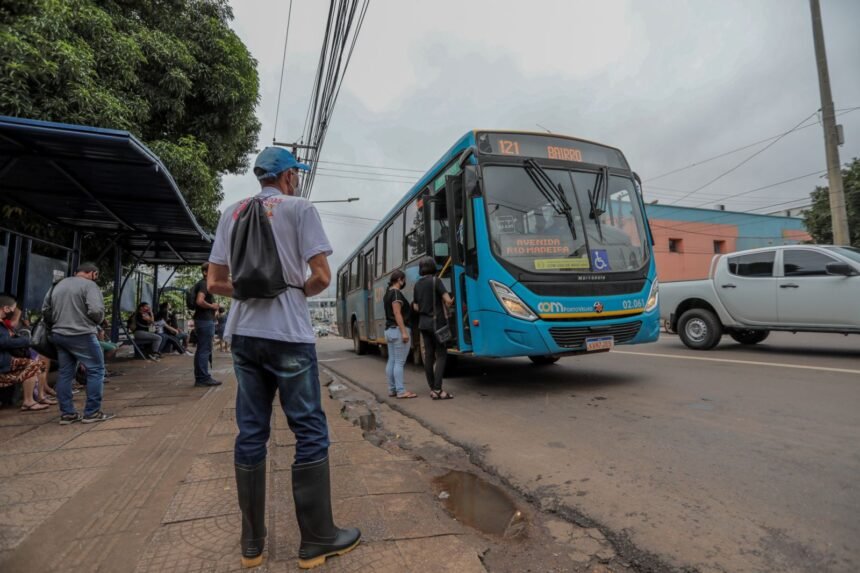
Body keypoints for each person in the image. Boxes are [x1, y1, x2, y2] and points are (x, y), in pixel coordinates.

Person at [208, 146, 360, 569]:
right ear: (289, 175)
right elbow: (322, 277)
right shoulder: (300, 208)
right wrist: (292, 292)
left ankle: (252, 545)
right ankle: (317, 539)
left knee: (251, 432)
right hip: (289, 335)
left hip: (243, 334)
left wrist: (251, 289)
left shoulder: (231, 212)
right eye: (297, 174)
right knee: (309, 430)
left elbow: (215, 282)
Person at [44, 262, 114, 424]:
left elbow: (45, 309)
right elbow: (96, 310)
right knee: (96, 370)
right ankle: (92, 412)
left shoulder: (57, 285)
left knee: (65, 373)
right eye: (96, 276)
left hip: (59, 334)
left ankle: (67, 414)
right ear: (93, 273)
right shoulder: (89, 285)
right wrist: (97, 322)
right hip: (82, 334)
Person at [412, 256, 455, 399]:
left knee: (429, 356)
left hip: (423, 324)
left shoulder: (417, 284)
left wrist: (425, 308)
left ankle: (433, 388)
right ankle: (437, 389)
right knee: (441, 355)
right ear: (433, 267)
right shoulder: (436, 281)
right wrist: (452, 299)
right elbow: (448, 301)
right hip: (437, 324)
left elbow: (416, 306)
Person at [0, 294, 51, 412]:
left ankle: (38, 397)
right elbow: (3, 342)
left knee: (39, 363)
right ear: (6, 308)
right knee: (34, 365)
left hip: (4, 359)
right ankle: (28, 401)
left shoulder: (2, 322)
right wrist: (26, 340)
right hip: (2, 362)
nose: (14, 311)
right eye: (13, 309)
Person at [383, 270, 416, 399]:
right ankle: (401, 391)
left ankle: (392, 389)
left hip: (389, 331)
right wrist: (404, 332)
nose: (404, 282)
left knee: (392, 360)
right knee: (399, 362)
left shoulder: (387, 294)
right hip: (398, 330)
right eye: (404, 279)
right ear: (399, 280)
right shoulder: (396, 293)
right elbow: (397, 313)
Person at [191, 263, 222, 387]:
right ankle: (203, 378)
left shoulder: (202, 284)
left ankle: (201, 377)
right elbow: (199, 301)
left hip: (202, 320)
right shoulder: (204, 284)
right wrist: (212, 306)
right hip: (205, 321)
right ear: (205, 272)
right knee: (204, 349)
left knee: (201, 349)